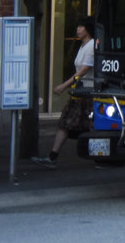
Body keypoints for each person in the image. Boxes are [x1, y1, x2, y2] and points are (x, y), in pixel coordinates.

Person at [31, 16, 95, 168]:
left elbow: (83, 70)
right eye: (78, 27)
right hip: (80, 92)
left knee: (88, 125)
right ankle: (52, 156)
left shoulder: (92, 45)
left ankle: (103, 156)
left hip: (89, 92)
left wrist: (63, 86)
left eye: (81, 27)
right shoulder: (82, 46)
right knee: (65, 123)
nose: (78, 30)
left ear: (88, 29)